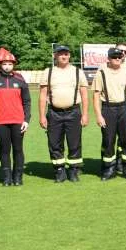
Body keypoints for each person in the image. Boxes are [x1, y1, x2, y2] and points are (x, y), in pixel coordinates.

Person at [39, 44, 89, 182]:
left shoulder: (77, 72)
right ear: (55, 55)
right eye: (60, 53)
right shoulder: (48, 72)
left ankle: (73, 170)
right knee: (54, 143)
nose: (64, 56)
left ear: (69, 55)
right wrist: (42, 116)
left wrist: (85, 114)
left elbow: (84, 95)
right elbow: (43, 96)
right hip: (54, 113)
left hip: (73, 112)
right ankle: (59, 170)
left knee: (74, 143)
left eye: (66, 53)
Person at [92, 46, 126, 180]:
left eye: (119, 57)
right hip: (108, 109)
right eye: (114, 57)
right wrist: (99, 115)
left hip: (124, 108)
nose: (117, 59)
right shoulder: (102, 73)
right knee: (108, 140)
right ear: (109, 58)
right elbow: (95, 96)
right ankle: (109, 169)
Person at [0, 48, 31, 186]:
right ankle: (7, 177)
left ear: (14, 64)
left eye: (10, 64)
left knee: (18, 149)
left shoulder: (19, 78)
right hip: (0, 121)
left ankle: (18, 177)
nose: (7, 66)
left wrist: (26, 120)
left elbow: (26, 101)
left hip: (18, 120)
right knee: (4, 148)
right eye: (4, 64)